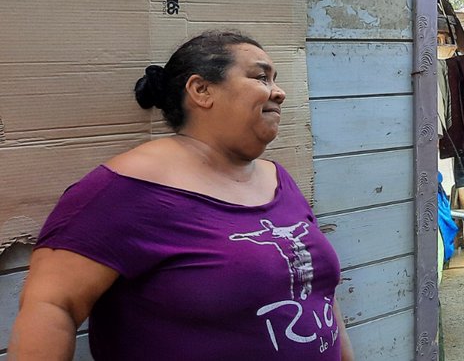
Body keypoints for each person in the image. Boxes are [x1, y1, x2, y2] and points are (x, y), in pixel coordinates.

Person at [9, 31, 353, 360]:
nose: (278, 92)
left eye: (275, 80)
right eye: (260, 77)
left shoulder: (279, 180)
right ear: (201, 90)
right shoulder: (123, 190)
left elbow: (321, 296)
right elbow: (51, 307)